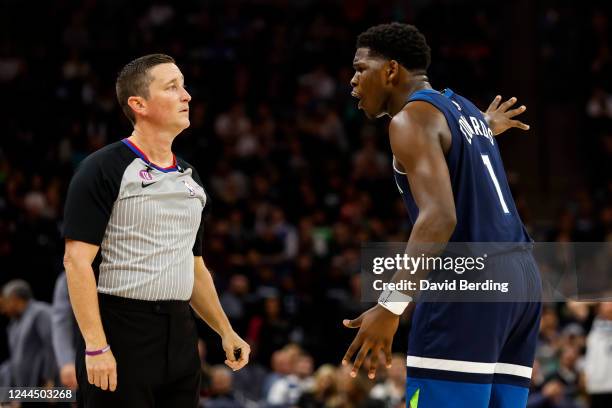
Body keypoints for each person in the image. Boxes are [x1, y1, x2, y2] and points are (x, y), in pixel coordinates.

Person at [341, 23, 541, 407]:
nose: (353, 81)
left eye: (360, 68)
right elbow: (459, 142)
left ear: (391, 70)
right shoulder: (463, 109)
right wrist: (486, 127)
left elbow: (438, 219)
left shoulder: (409, 120)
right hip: (523, 279)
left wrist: (390, 305)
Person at [62, 53, 250, 407]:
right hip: (121, 329)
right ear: (139, 104)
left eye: (184, 86)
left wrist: (225, 330)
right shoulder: (102, 168)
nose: (187, 96)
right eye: (172, 87)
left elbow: (193, 265)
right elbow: (76, 262)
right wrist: (96, 345)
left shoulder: (191, 178)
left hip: (180, 332)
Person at [0, 279, 57, 388]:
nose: (3, 310)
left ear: (15, 299)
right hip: (26, 388)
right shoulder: (14, 323)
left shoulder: (40, 313)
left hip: (45, 385)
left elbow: (51, 344)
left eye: (5, 303)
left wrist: (49, 378)